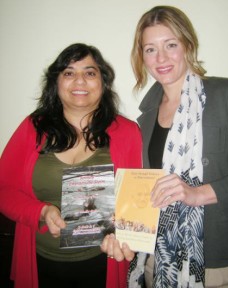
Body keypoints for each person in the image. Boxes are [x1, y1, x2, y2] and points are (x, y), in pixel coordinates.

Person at [101, 5, 228, 288]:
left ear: (188, 44)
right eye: (150, 49)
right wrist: (120, 223)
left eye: (170, 45)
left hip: (215, 263)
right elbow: (146, 189)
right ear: (142, 56)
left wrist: (197, 194)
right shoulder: (145, 118)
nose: (160, 58)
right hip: (157, 260)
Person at [0, 43, 142, 288]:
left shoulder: (128, 132)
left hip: (101, 262)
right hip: (41, 262)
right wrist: (41, 212)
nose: (79, 81)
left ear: (103, 83)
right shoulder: (32, 128)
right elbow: (3, 189)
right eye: (68, 72)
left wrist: (122, 236)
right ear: (56, 82)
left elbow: (137, 201)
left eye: (89, 73)